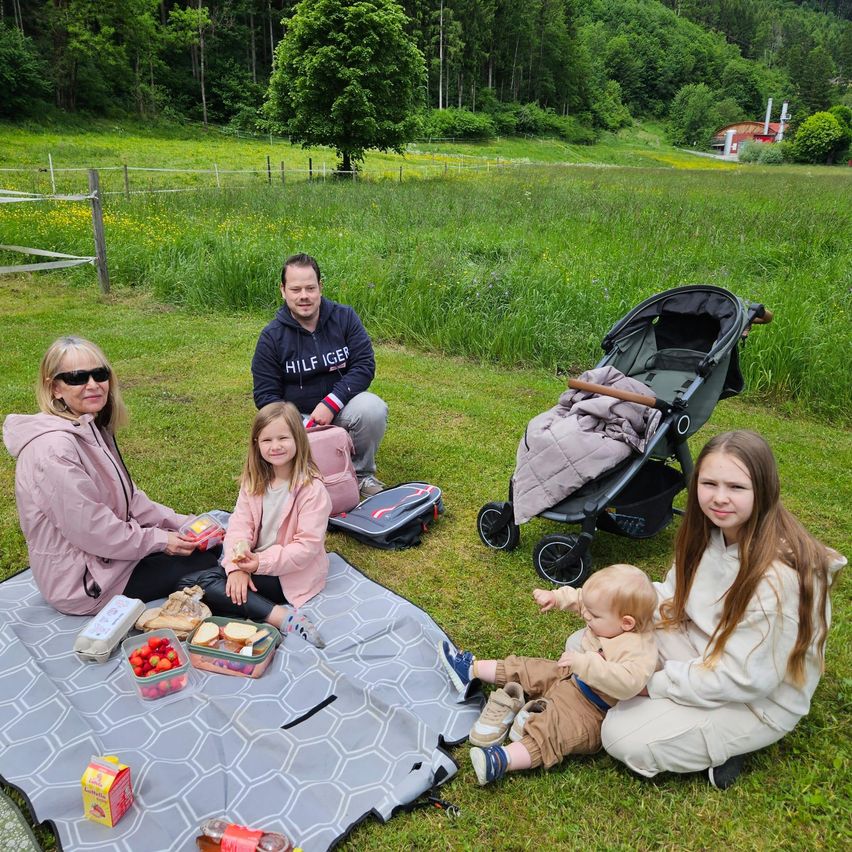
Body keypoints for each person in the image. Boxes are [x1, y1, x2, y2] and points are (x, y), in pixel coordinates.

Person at [600, 431, 845, 789]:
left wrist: (650, 685)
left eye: (736, 487)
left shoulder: (779, 579)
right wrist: (616, 610)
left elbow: (745, 678)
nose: (719, 498)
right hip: (699, 647)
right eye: (709, 483)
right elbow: (672, 597)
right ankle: (675, 710)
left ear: (764, 490)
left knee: (621, 736)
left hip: (756, 699)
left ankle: (729, 744)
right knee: (593, 639)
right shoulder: (709, 531)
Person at [3, 336, 219, 615]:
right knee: (204, 563)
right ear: (54, 388)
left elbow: (132, 500)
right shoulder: (53, 450)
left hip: (111, 559)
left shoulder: (89, 427)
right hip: (86, 584)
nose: (93, 384)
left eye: (100, 374)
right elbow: (93, 530)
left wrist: (184, 523)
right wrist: (161, 541)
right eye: (77, 377)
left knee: (209, 544)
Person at [439, 563, 658, 786]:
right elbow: (582, 598)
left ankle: (501, 760)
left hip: (591, 708)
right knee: (529, 668)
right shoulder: (607, 614)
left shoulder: (639, 650)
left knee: (552, 733)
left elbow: (628, 683)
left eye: (593, 615)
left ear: (626, 623)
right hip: (571, 674)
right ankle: (470, 670)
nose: (585, 614)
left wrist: (585, 664)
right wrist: (556, 597)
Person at [179, 402, 331, 641]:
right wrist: (236, 568)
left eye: (283, 438)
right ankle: (260, 613)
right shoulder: (255, 481)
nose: (275, 446)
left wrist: (258, 564)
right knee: (187, 584)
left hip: (289, 574)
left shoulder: (312, 490)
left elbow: (306, 548)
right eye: (267, 440)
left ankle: (282, 618)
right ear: (256, 443)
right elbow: (239, 526)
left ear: (299, 439)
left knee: (201, 584)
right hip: (252, 562)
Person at [251, 253, 388, 499]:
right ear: (283, 291)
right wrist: (297, 425)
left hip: (341, 408)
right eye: (295, 289)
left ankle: (361, 475)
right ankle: (310, 479)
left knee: (372, 408)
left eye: (310, 288)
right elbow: (265, 395)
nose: (304, 296)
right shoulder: (271, 337)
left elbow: (364, 365)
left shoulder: (345, 317)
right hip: (300, 422)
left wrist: (331, 403)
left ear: (320, 287)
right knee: (312, 479)